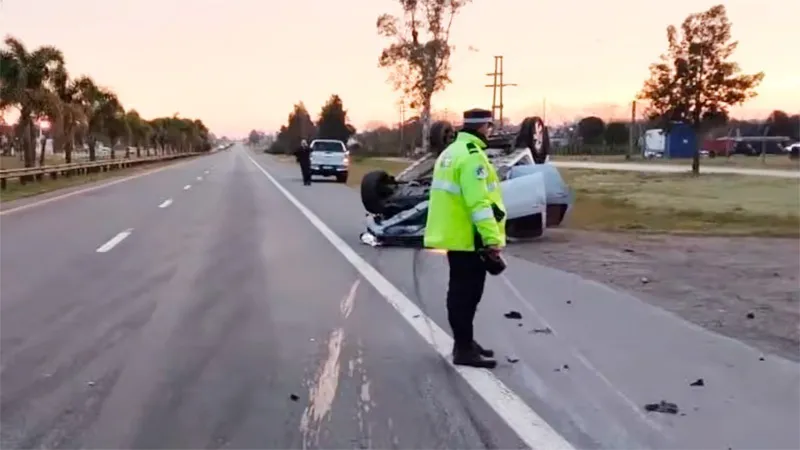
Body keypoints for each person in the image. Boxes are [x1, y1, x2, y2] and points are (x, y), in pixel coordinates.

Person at [423, 108, 507, 369]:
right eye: (489, 126)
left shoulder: (451, 152)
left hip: (456, 235)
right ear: (483, 127)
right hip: (469, 237)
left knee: (461, 292)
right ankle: (463, 348)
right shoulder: (472, 157)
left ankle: (466, 342)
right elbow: (479, 203)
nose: (490, 131)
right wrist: (491, 238)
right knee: (467, 295)